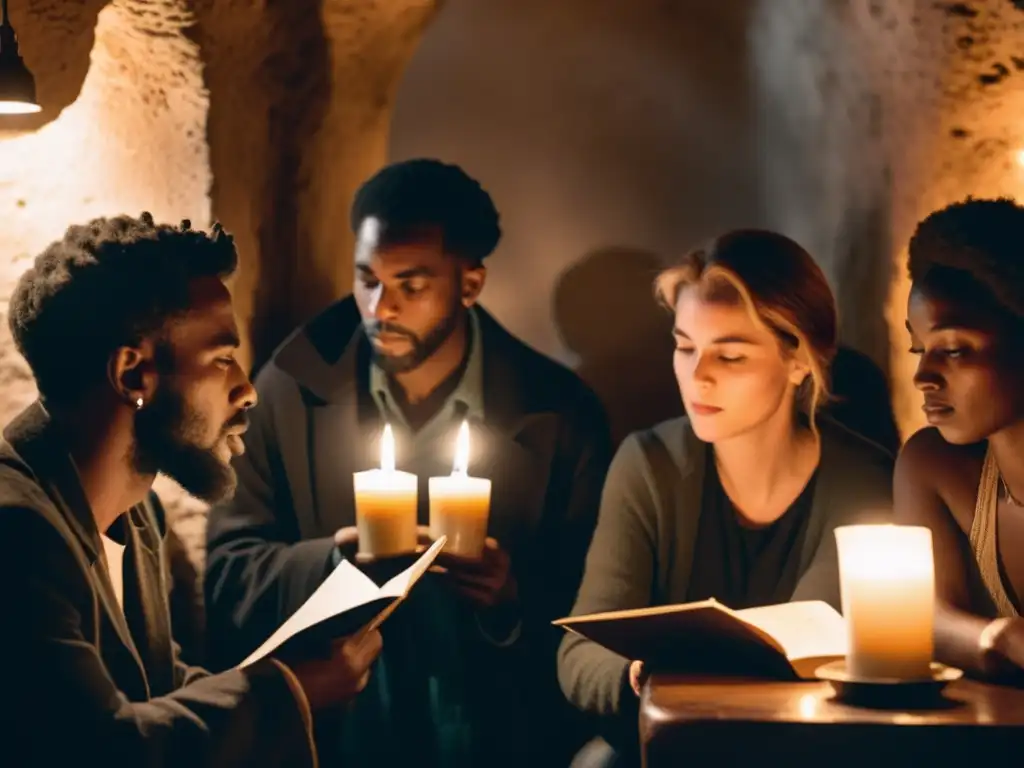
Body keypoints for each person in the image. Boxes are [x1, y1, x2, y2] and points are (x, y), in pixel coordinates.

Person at [204, 159, 612, 767]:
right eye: (366, 279)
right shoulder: (291, 388)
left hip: (498, 738)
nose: (380, 308)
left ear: (469, 285)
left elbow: (599, 609)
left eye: (411, 286)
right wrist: (334, 564)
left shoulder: (558, 415)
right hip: (340, 741)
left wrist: (509, 598)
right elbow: (227, 576)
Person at [0, 213, 382, 766]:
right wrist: (293, 690)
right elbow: (98, 748)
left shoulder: (139, 514)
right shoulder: (17, 532)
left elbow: (159, 690)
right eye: (223, 359)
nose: (248, 391)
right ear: (134, 374)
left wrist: (299, 663)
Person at [557, 229, 894, 765]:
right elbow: (581, 651)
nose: (698, 377)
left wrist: (676, 661)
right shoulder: (648, 464)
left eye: (730, 356)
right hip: (664, 744)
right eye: (684, 346)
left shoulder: (862, 482)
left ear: (799, 361)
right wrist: (634, 672)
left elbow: (796, 660)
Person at [895, 197, 1024, 681]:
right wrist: (1000, 639)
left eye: (952, 350)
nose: (922, 376)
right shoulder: (933, 466)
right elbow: (918, 618)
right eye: (918, 349)